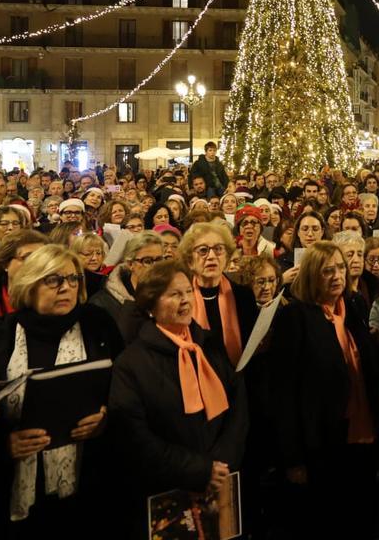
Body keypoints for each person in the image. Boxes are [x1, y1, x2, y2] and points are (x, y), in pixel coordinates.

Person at [0, 244, 121, 534]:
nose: (66, 287)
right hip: (14, 478)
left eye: (73, 279)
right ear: (29, 284)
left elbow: (124, 390)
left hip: (86, 474)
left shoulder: (98, 326)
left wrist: (106, 417)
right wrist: (3, 442)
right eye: (53, 280)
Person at [107, 258, 247, 536]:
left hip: (220, 478)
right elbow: (134, 435)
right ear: (150, 306)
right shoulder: (132, 362)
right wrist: (198, 469)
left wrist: (221, 462)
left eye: (187, 292)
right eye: (174, 294)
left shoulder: (208, 344)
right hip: (167, 488)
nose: (185, 301)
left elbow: (238, 406)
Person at [180, 222, 256, 367]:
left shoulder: (243, 296)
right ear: (190, 261)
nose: (211, 256)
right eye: (203, 250)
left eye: (219, 249)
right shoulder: (182, 300)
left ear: (226, 258)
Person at [88, 231, 163, 338]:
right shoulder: (103, 303)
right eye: (147, 261)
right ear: (130, 264)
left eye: (159, 260)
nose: (155, 267)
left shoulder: (170, 294)